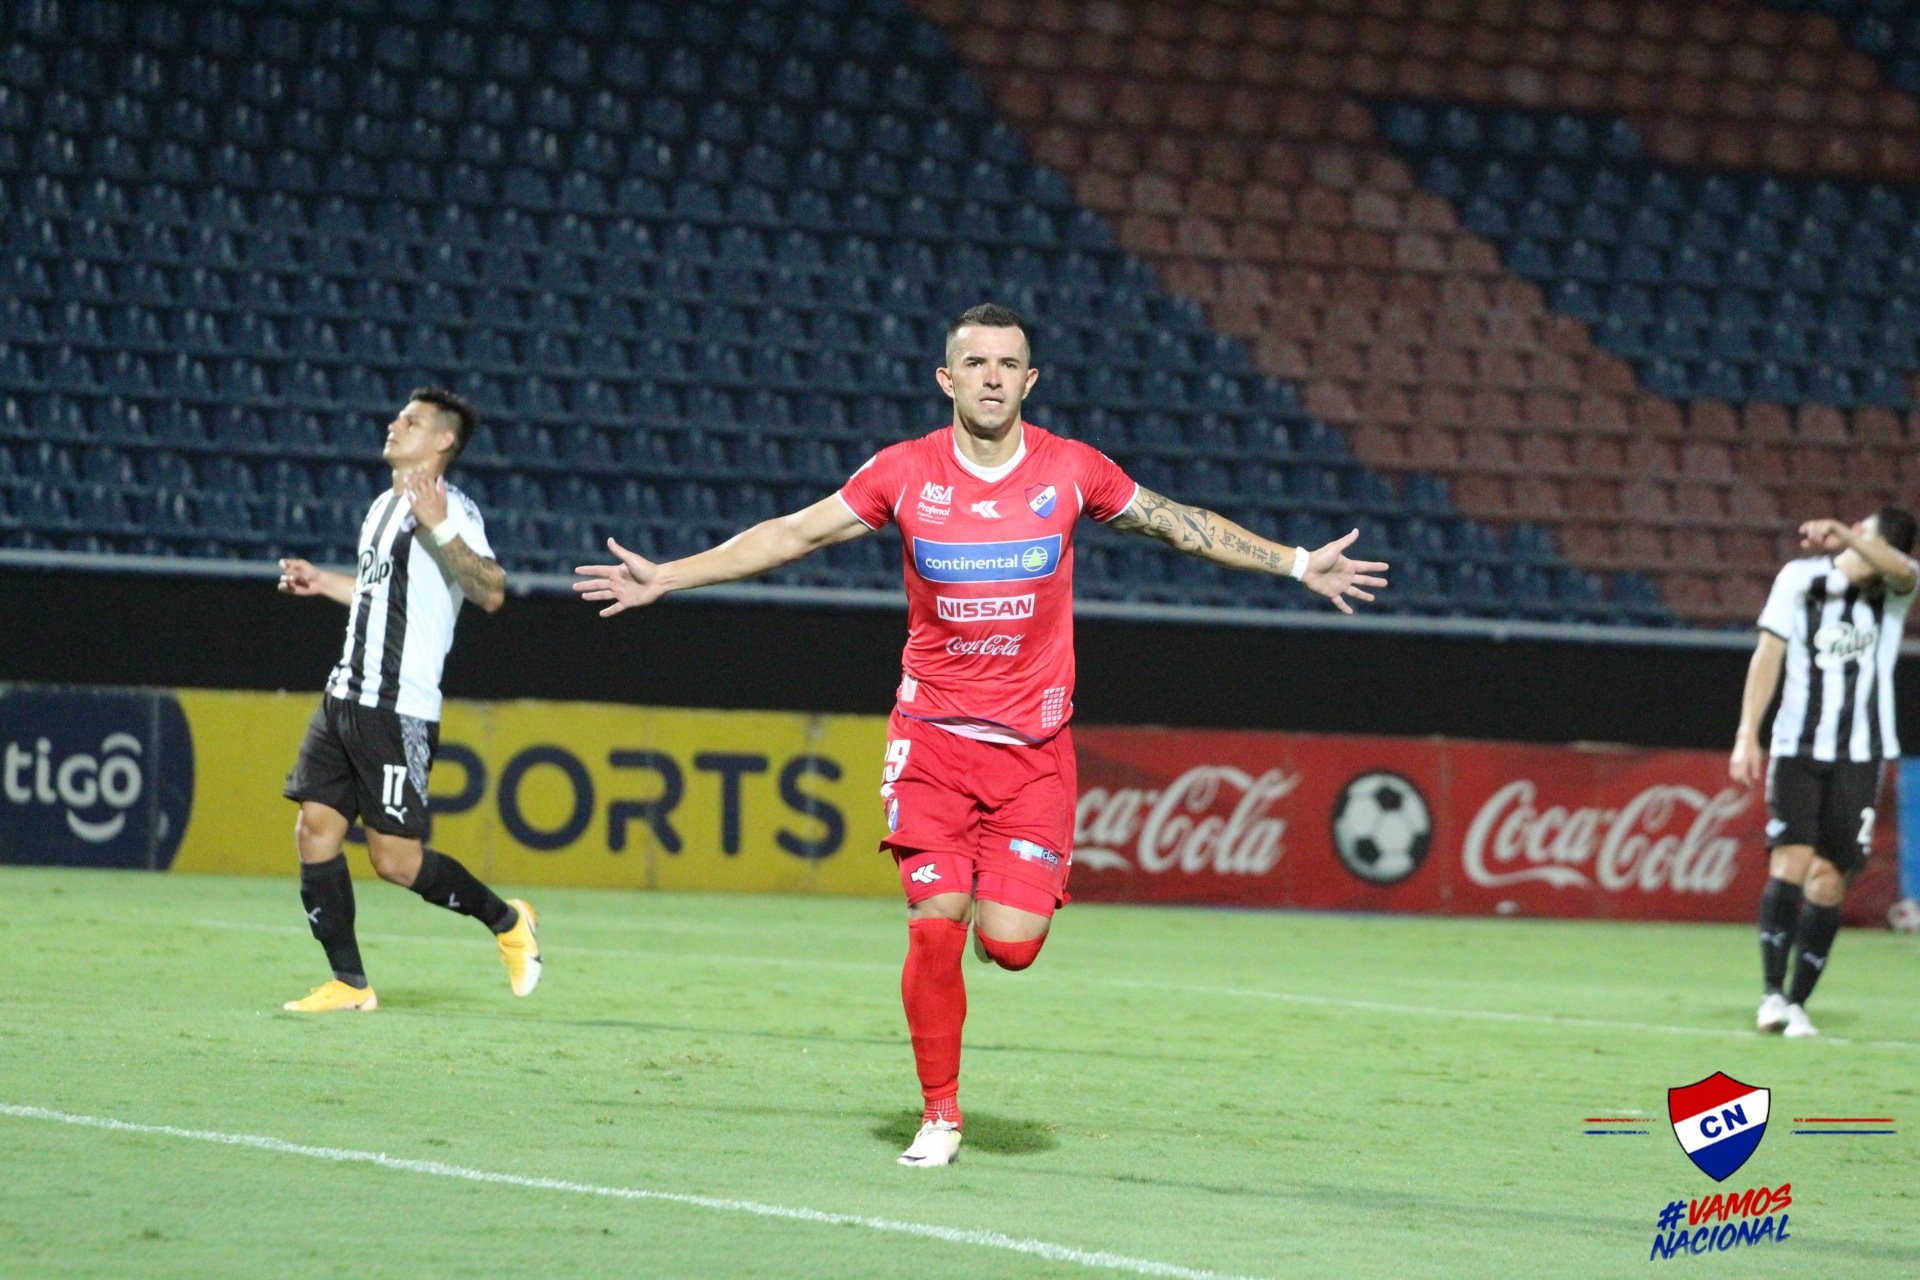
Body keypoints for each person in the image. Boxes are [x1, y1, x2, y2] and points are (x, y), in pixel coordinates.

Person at [576, 304, 1386, 1164]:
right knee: (935, 921)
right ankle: (940, 1114)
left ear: (1030, 381)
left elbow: (1176, 523)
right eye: (977, 363)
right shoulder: (904, 472)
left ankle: (994, 929)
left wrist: (1298, 563)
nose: (993, 376)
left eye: (1009, 364)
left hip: (1036, 753)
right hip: (930, 739)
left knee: (1011, 945)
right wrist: (670, 576)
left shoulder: (1072, 470)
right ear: (947, 378)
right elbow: (793, 534)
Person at [275, 388, 541, 1012]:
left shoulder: (453, 509)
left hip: (397, 708)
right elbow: (377, 597)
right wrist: (323, 582)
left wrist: (440, 523)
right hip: (344, 694)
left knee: (395, 862)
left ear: (443, 441)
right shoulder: (380, 507)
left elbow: (492, 591)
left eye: (411, 421)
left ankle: (508, 921)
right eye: (396, 416)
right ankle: (350, 984)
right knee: (314, 830)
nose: (394, 426)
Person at [1732, 506, 1917, 1038]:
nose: (1853, 531)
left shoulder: (1894, 589)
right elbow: (1768, 654)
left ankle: (1797, 1003)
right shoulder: (1800, 578)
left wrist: (1846, 536)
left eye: (1865, 529)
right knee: (1789, 862)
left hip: (1861, 755)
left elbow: (1904, 570)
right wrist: (1748, 732)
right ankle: (1770, 993)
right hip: (1797, 747)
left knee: (1830, 881)